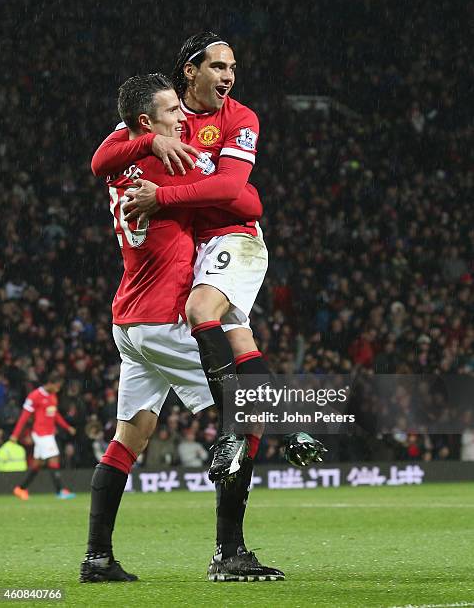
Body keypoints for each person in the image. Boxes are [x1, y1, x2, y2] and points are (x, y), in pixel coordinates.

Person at [91, 32, 325, 581]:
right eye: (216, 67)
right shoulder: (171, 152)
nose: (227, 77)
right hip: (160, 314)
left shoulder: (144, 146)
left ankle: (96, 559)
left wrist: (149, 154)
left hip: (130, 313)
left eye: (232, 67)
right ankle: (231, 550)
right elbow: (247, 197)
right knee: (243, 402)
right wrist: (169, 161)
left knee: (132, 435)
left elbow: (101, 158)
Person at [10, 371, 77, 500]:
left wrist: (67, 427)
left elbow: (55, 414)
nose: (58, 389)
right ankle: (60, 491)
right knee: (54, 458)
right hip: (41, 434)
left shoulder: (52, 396)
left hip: (49, 434)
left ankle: (20, 489)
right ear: (50, 383)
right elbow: (24, 416)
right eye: (57, 386)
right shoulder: (34, 396)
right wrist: (15, 435)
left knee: (37, 463)